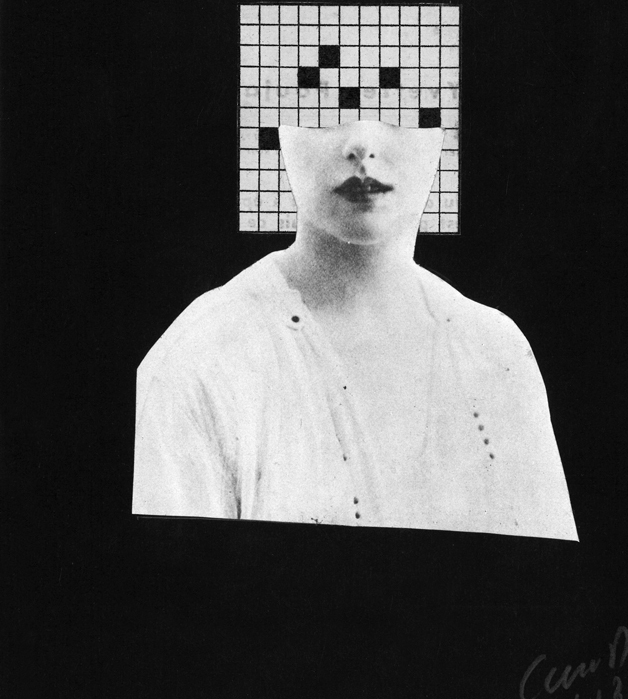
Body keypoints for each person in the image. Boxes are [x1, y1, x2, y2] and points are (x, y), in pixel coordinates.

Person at [132, 120, 578, 539]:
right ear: (281, 130)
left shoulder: (497, 351)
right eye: (325, 110)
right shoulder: (200, 360)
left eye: (398, 108)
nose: (362, 144)